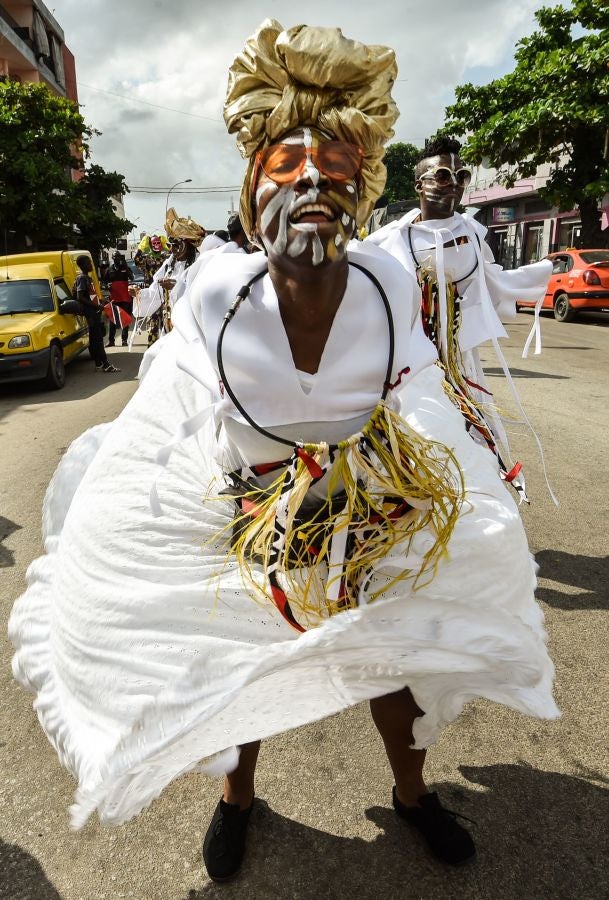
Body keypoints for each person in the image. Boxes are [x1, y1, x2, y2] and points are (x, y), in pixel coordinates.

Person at [9, 19, 557, 885]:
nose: (311, 175)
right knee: (236, 665)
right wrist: (127, 520)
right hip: (245, 513)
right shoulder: (217, 292)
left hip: (367, 512)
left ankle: (412, 795)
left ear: (363, 187)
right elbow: (167, 401)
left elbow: (419, 393)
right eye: (285, 161)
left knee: (396, 661)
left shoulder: (385, 283)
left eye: (335, 162)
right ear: (251, 189)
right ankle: (236, 800)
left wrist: (452, 483)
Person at [367, 137, 553, 497]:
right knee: (411, 428)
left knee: (466, 427)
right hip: (408, 358)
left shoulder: (471, 234)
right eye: (442, 174)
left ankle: (466, 504)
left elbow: (492, 282)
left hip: (457, 360)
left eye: (461, 175)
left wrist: (540, 274)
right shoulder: (389, 241)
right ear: (420, 184)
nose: (453, 182)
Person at [72, 254, 120, 374]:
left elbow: (90, 296)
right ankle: (106, 365)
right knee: (98, 340)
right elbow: (80, 297)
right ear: (82, 265)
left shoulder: (88, 278)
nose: (91, 265)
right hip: (91, 314)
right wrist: (96, 306)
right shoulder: (82, 278)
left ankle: (98, 364)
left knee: (94, 340)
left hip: (95, 312)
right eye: (88, 262)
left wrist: (101, 301)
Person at [105, 252, 134, 347]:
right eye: (115, 256)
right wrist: (107, 286)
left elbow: (132, 277)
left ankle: (124, 340)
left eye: (118, 256)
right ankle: (111, 341)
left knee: (124, 319)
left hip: (125, 298)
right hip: (114, 298)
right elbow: (104, 283)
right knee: (112, 320)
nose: (116, 258)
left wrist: (125, 267)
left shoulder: (124, 268)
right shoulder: (109, 270)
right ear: (112, 258)